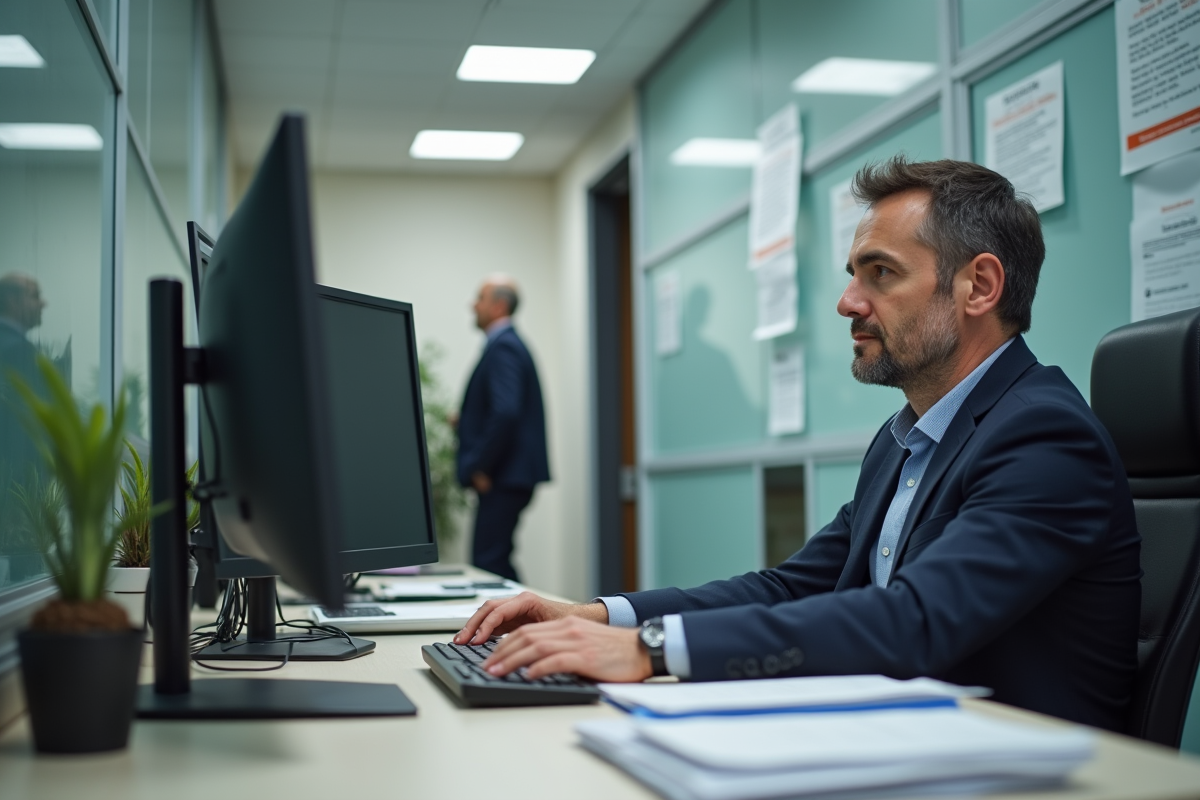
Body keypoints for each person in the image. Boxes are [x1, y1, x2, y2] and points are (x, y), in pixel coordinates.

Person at [454, 157, 1142, 732]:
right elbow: (789, 588)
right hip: (904, 739)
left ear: (979, 286)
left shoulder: (1044, 436)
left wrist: (648, 650)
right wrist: (601, 615)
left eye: (881, 273)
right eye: (853, 273)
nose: (847, 301)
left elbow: (913, 620)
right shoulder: (905, 440)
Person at [456, 275, 550, 582]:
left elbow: (507, 412)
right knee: (495, 561)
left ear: (498, 306)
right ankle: (523, 625)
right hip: (508, 474)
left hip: (502, 475)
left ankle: (521, 626)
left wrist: (479, 466)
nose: (473, 305)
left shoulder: (504, 346)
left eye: (479, 298)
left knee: (489, 564)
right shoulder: (505, 344)